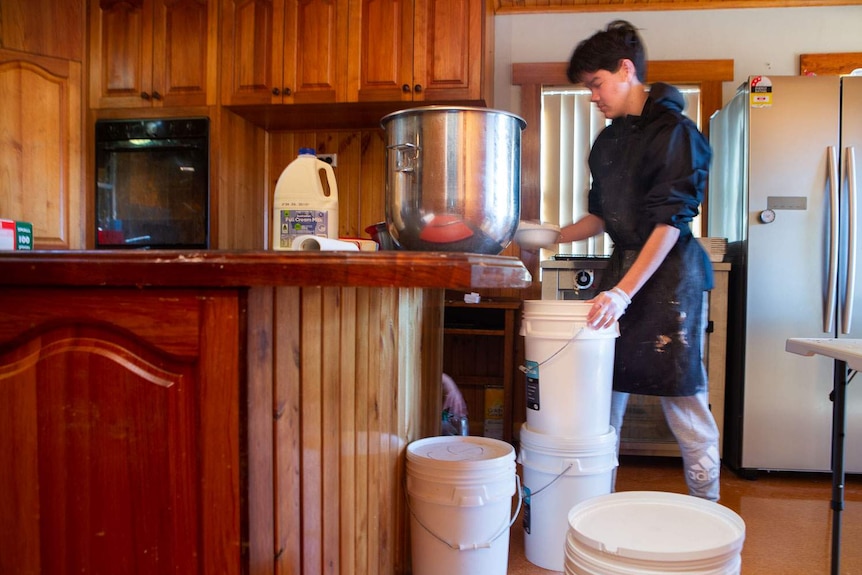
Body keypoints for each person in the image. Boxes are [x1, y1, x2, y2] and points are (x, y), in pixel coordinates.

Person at [558, 20, 720, 501]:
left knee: (683, 397)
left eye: (596, 84)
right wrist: (547, 235)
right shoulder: (608, 142)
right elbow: (601, 217)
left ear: (625, 70)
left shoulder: (676, 133)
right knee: (602, 392)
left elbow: (669, 223)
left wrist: (623, 292)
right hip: (623, 268)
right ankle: (595, 506)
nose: (592, 96)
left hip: (670, 275)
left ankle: (706, 507)